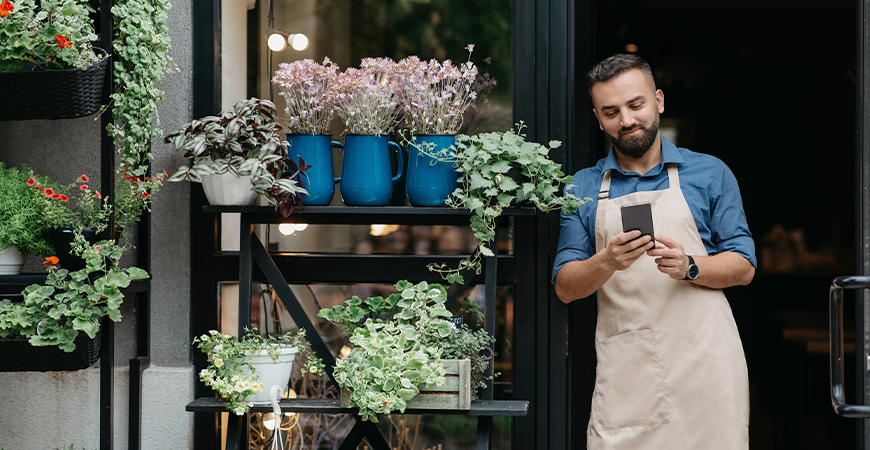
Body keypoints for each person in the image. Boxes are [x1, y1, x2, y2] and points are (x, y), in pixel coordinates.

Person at [552, 54, 756, 449]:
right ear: (598, 119)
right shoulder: (582, 187)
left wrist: (689, 266)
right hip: (629, 369)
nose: (626, 120)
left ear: (658, 101)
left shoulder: (710, 174)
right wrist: (606, 261)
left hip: (706, 366)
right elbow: (565, 286)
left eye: (636, 105)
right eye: (611, 112)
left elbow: (743, 266)